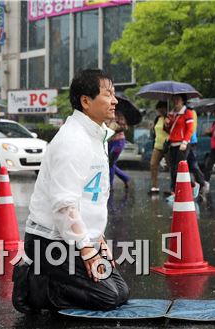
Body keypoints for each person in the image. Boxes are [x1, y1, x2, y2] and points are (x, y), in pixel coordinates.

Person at [12, 69, 129, 313]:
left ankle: (55, 276)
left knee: (121, 293)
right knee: (107, 298)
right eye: (108, 94)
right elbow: (65, 205)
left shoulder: (95, 137)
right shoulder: (72, 140)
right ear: (86, 101)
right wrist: (87, 251)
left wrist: (99, 242)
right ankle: (34, 284)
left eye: (114, 94)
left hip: (77, 238)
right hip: (51, 242)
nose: (115, 101)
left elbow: (89, 199)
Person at [164, 94, 195, 196]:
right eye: (174, 99)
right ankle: (174, 190)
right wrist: (167, 123)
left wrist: (185, 142)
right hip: (173, 144)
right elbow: (168, 130)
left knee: (180, 168)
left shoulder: (187, 113)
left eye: (178, 99)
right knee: (173, 168)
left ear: (183, 101)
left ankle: (188, 187)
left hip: (182, 145)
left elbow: (190, 129)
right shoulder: (172, 114)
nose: (176, 101)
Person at [149, 101, 170, 193]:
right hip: (157, 145)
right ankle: (155, 186)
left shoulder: (169, 118)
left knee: (171, 167)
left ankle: (173, 187)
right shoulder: (157, 118)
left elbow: (172, 131)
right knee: (153, 164)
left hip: (167, 146)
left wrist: (168, 124)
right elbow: (155, 131)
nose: (160, 111)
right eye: (159, 110)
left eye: (162, 109)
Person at [107, 111, 131, 189]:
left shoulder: (120, 115)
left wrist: (117, 126)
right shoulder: (107, 112)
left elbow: (126, 127)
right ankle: (125, 178)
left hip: (118, 142)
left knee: (111, 163)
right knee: (108, 163)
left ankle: (109, 185)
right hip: (109, 141)